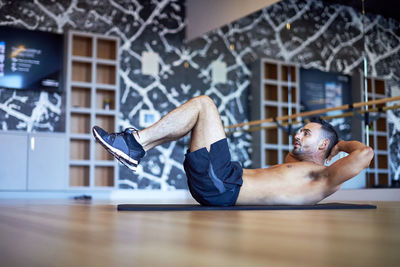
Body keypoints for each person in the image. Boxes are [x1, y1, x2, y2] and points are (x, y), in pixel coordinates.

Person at [92, 95, 374, 206]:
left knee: (204, 104)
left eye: (307, 132)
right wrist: (323, 146)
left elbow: (365, 154)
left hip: (224, 184)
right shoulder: (296, 163)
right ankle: (137, 146)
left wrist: (340, 145)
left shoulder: (323, 177)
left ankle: (135, 144)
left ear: (324, 145)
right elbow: (299, 151)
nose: (298, 134)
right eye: (301, 130)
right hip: (223, 181)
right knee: (198, 114)